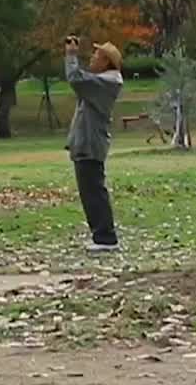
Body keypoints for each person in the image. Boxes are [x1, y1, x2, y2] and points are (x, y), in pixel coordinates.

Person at [64, 35, 124, 252]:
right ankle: (101, 236)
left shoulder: (107, 83)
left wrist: (71, 55)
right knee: (90, 191)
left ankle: (106, 238)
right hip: (88, 142)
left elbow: (76, 79)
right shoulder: (105, 81)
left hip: (90, 143)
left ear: (106, 61)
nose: (91, 58)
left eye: (96, 55)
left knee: (94, 191)